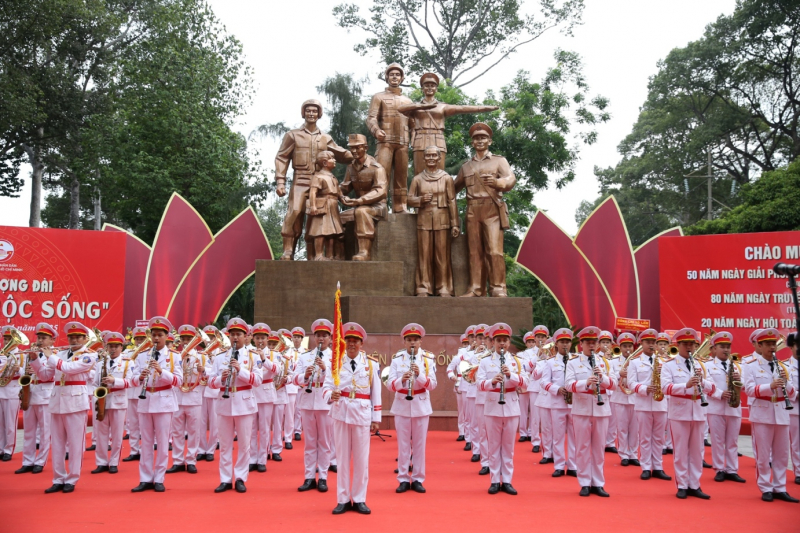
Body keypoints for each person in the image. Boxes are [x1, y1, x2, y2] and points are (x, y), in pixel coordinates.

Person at [274, 99, 353, 260]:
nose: (311, 113)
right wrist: (280, 181)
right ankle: (288, 250)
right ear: (303, 113)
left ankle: (315, 255)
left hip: (320, 183)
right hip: (300, 180)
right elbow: (282, 158)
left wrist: (355, 154)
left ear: (319, 114)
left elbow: (340, 153)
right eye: (308, 111)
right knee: (295, 213)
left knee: (318, 218)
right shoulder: (293, 135)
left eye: (314, 111)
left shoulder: (325, 138)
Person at [30, 321, 97, 493]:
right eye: (71, 337)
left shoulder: (89, 355)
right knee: (58, 444)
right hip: (56, 401)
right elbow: (45, 375)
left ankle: (72, 478)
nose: (74, 339)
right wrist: (35, 360)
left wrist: (50, 356)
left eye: (77, 337)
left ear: (84, 338)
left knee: (75, 444)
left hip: (75, 403)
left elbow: (69, 369)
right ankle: (58, 478)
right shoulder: (60, 353)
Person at [453, 122, 516, 297]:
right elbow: (452, 188)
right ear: (472, 143)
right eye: (476, 138)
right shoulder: (466, 166)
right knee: (474, 252)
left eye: (483, 138)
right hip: (473, 210)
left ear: (490, 141)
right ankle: (475, 288)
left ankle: (498, 288)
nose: (479, 141)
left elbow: (510, 178)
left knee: (494, 251)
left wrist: (498, 183)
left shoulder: (499, 160)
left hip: (492, 210)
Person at [325, 322, 381, 514]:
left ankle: (359, 498)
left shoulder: (371, 364)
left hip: (362, 414)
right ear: (343, 343)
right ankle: (342, 499)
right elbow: (326, 386)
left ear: (361, 343)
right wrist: (329, 396)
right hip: (340, 413)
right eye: (348, 340)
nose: (351, 344)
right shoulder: (336, 363)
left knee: (361, 460)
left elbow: (376, 393)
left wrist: (376, 418)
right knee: (341, 459)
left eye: (355, 341)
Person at [398, 72, 498, 175]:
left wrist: (486, 108)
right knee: (419, 173)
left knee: (439, 173)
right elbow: (400, 109)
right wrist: (420, 107)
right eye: (426, 86)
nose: (429, 88)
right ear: (422, 89)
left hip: (438, 138)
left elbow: (463, 108)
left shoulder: (442, 106)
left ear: (436, 89)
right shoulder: (415, 106)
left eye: (432, 86)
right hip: (420, 139)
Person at [207, 318, 263, 493]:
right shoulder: (219, 356)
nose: (235, 338)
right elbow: (210, 382)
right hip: (224, 403)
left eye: (238, 334)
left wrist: (241, 370)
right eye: (232, 335)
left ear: (245, 336)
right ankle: (225, 479)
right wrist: (220, 379)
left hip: (244, 403)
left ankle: (240, 477)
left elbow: (258, 380)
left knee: (245, 444)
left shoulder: (253, 355)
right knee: (224, 444)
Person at [743, 328, 798, 503]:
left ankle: (780, 487)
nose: (772, 348)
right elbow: (750, 390)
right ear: (759, 345)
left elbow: (792, 393)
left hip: (781, 413)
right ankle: (766, 487)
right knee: (763, 454)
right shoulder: (750, 365)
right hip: (762, 413)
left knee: (782, 454)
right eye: (767, 344)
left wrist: (785, 384)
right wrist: (771, 386)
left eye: (773, 344)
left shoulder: (783, 366)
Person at [660, 327, 714, 500]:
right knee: (681, 450)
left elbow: (712, 388)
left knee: (697, 451)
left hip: (698, 411)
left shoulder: (701, 365)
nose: (689, 347)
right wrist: (686, 385)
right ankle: (682, 484)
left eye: (692, 344)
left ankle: (695, 484)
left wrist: (702, 382)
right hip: (679, 412)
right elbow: (665, 388)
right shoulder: (669, 365)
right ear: (679, 345)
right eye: (686, 344)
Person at [130, 316, 182, 493]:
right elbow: (133, 379)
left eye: (160, 335)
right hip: (145, 401)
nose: (156, 338)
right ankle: (145, 478)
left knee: (161, 442)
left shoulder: (174, 356)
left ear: (166, 336)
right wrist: (140, 377)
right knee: (145, 442)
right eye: (154, 335)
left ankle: (159, 478)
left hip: (164, 402)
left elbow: (179, 381)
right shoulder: (142, 355)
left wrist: (162, 372)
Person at [476, 322, 527, 495]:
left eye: (505, 340)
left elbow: (526, 383)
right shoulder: (485, 361)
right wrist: (493, 382)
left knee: (508, 447)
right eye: (499, 340)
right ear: (493, 342)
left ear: (509, 341)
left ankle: (507, 480)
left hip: (512, 407)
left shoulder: (517, 362)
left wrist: (510, 375)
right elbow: (479, 384)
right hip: (492, 406)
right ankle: (494, 480)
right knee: (493, 446)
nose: (502, 343)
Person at [566, 326, 616, 497]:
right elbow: (568, 385)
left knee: (598, 448)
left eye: (594, 342)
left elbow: (615, 385)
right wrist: (586, 383)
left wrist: (602, 378)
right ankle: (585, 482)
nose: (591, 345)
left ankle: (598, 483)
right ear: (581, 344)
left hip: (602, 409)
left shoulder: (605, 362)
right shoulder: (573, 362)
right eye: (588, 343)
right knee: (582, 447)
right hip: (581, 408)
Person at [387, 323, 437, 493]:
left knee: (419, 445)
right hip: (401, 404)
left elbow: (433, 384)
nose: (412, 343)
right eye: (409, 340)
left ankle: (417, 478)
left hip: (421, 404)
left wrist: (419, 375)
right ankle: (402, 478)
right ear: (404, 342)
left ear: (420, 341)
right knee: (403, 445)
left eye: (415, 340)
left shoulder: (428, 359)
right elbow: (389, 385)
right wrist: (403, 379)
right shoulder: (396, 360)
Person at [407, 145, 460, 296]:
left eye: (433, 156)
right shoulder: (417, 179)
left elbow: (452, 201)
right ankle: (423, 286)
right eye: (428, 156)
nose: (431, 158)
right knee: (424, 255)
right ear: (423, 159)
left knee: (442, 255)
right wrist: (420, 200)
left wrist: (454, 223)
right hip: (424, 219)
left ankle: (444, 287)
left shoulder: (446, 178)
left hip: (442, 219)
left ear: (438, 158)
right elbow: (409, 199)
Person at [291, 319, 334, 492]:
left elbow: (337, 381)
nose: (321, 339)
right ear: (314, 337)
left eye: (325, 336)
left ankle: (323, 476)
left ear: (330, 338)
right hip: (307, 401)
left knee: (324, 442)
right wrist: (305, 377)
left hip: (325, 403)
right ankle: (309, 477)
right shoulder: (305, 356)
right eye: (318, 336)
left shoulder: (335, 357)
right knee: (309, 443)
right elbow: (294, 378)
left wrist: (325, 370)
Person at [365, 63, 414, 212]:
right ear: (387, 77)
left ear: (402, 78)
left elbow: (413, 124)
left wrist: (413, 139)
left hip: (403, 142)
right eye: (391, 74)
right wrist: (376, 130)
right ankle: (380, 203)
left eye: (397, 75)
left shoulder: (408, 101)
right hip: (385, 141)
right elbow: (371, 118)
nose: (394, 77)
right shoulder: (378, 97)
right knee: (381, 174)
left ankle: (400, 205)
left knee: (401, 176)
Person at [626, 329, 671, 481]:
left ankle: (658, 466)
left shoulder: (665, 362)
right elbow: (631, 383)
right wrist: (645, 389)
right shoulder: (635, 362)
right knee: (645, 437)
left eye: (653, 342)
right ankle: (645, 467)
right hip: (643, 403)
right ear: (642, 344)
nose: (651, 345)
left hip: (660, 404)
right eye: (648, 342)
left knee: (659, 438)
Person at [15, 323, 56, 474]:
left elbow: (48, 376)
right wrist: (23, 371)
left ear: (52, 341)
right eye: (39, 337)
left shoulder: (53, 355)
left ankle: (40, 461)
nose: (40, 341)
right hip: (30, 393)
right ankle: (27, 461)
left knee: (45, 431)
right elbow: (25, 374)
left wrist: (36, 364)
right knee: (29, 431)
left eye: (44, 338)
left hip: (45, 395)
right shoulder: (31, 353)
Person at [704, 331, 746, 483]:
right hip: (716, 407)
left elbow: (747, 386)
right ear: (714, 348)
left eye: (728, 346)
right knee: (717, 440)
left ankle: (732, 469)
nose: (726, 350)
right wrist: (720, 394)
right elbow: (705, 384)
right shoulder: (707, 365)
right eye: (722, 346)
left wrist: (739, 380)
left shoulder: (738, 366)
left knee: (733, 440)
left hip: (734, 407)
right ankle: (719, 469)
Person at [91, 331, 132, 474]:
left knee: (116, 434)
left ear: (121, 347)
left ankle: (114, 462)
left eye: (116, 346)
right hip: (102, 400)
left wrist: (115, 381)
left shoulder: (128, 363)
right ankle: (101, 462)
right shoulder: (100, 362)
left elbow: (131, 382)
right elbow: (94, 383)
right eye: (110, 346)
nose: (113, 349)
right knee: (101, 433)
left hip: (118, 400)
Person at [166, 324, 204, 475]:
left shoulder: (201, 356)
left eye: (189, 339)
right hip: (178, 395)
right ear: (180, 340)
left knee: (194, 431)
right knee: (177, 431)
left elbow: (209, 375)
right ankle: (177, 461)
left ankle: (191, 460)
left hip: (194, 396)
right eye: (184, 339)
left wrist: (203, 370)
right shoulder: (174, 355)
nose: (186, 342)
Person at [539, 328, 577, 477]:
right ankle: (560, 465)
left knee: (574, 436)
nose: (565, 345)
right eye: (562, 342)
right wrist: (557, 389)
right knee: (558, 436)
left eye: (567, 342)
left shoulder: (576, 359)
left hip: (574, 403)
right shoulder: (550, 362)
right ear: (556, 344)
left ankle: (573, 465)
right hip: (557, 403)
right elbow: (543, 382)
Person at [249, 323, 278, 473]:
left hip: (266, 392)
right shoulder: (249, 352)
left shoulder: (273, 353)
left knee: (265, 428)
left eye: (263, 338)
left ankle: (262, 459)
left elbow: (277, 370)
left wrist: (264, 359)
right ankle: (252, 458)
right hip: (252, 392)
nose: (260, 341)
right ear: (253, 339)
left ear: (268, 339)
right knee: (252, 428)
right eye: (258, 338)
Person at [307, 151, 344, 260]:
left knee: (331, 231)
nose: (335, 160)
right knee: (320, 231)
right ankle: (318, 255)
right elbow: (313, 192)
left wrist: (343, 198)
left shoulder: (332, 177)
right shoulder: (318, 176)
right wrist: (313, 206)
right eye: (332, 158)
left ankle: (330, 255)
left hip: (333, 205)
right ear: (324, 162)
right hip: (323, 205)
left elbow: (339, 192)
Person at [611, 332, 639, 467]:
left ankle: (633, 454)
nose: (628, 349)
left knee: (634, 428)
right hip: (620, 397)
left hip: (634, 397)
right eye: (625, 346)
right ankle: (623, 454)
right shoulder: (614, 362)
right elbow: (609, 378)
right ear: (620, 347)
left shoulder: (638, 362)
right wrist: (619, 374)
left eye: (630, 346)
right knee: (621, 428)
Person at [122, 326, 148, 462]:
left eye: (142, 339)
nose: (139, 341)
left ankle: (146, 449)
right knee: (132, 423)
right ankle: (134, 450)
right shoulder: (127, 352)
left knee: (145, 424)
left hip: (144, 391)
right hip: (131, 392)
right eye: (137, 339)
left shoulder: (149, 354)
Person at [198, 324, 221, 462]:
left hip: (214, 390)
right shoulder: (200, 353)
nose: (209, 340)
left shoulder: (220, 353)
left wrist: (204, 370)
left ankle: (211, 448)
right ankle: (201, 449)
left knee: (214, 422)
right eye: (207, 338)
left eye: (212, 337)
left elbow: (216, 371)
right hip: (201, 390)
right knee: (200, 422)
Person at [531, 325, 554, 461]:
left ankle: (557, 455)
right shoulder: (542, 360)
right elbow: (535, 375)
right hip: (545, 397)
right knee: (545, 427)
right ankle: (547, 453)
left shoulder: (560, 360)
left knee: (557, 428)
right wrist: (544, 360)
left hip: (558, 397)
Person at [0, 326, 23, 462]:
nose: (7, 342)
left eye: (9, 339)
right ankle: (1, 448)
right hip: (1, 389)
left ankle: (8, 449)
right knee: (1, 423)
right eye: (5, 339)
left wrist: (18, 369)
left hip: (13, 389)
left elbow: (27, 373)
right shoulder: (1, 354)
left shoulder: (21, 354)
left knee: (10, 423)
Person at [268, 329, 290, 462]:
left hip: (280, 393)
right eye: (270, 344)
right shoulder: (260, 357)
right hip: (266, 394)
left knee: (277, 424)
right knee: (264, 425)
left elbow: (291, 373)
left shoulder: (285, 360)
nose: (272, 347)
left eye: (274, 344)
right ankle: (264, 449)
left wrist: (287, 378)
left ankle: (276, 449)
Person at [446, 328, 472, 441]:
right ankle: (463, 432)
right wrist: (452, 376)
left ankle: (471, 434)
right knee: (462, 410)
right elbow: (450, 368)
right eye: (466, 342)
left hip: (475, 384)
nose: (469, 343)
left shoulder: (483, 352)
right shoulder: (461, 353)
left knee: (472, 412)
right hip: (461, 383)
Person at [471, 324, 491, 466]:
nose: (483, 341)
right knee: (482, 430)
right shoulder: (474, 357)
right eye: (480, 338)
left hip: (496, 399)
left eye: (486, 339)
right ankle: (485, 461)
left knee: (495, 434)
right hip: (481, 397)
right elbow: (471, 376)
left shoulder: (501, 358)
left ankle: (496, 462)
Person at [283, 327, 304, 449]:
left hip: (301, 384)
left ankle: (297, 430)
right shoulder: (287, 352)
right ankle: (288, 435)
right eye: (294, 337)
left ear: (302, 339)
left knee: (299, 409)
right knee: (289, 411)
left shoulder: (305, 352)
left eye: (298, 337)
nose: (296, 340)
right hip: (290, 384)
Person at [599, 330, 618, 454]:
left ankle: (610, 442)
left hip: (614, 391)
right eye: (603, 342)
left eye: (608, 342)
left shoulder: (617, 357)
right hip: (602, 390)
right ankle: (602, 440)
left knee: (613, 418)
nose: (606, 345)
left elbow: (617, 375)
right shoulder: (597, 357)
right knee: (603, 417)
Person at [787, 333, 799, 485]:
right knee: (796, 443)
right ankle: (799, 472)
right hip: (795, 409)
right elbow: (787, 385)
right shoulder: (786, 366)